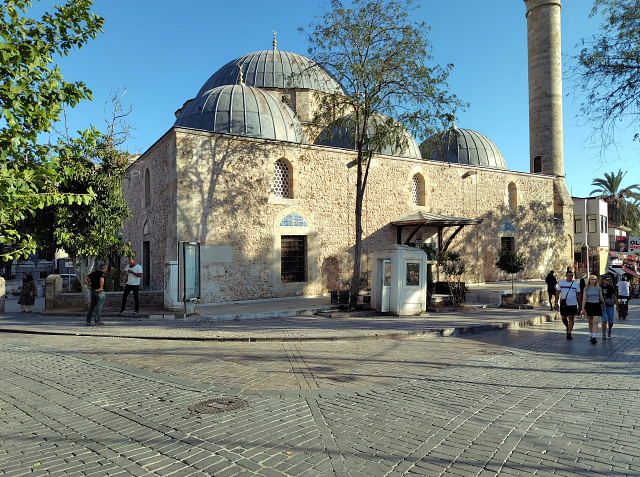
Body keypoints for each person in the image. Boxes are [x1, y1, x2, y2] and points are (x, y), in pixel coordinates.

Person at [556, 269, 581, 340]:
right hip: (564, 304)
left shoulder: (576, 284)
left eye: (571, 275)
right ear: (566, 276)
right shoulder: (561, 283)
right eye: (569, 275)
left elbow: (579, 294)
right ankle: (567, 326)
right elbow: (557, 293)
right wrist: (556, 303)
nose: (570, 277)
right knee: (563, 318)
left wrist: (580, 305)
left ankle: (569, 333)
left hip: (573, 304)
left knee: (571, 318)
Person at [580, 275, 604, 344]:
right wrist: (583, 308)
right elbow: (584, 298)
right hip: (589, 305)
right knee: (590, 323)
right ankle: (592, 335)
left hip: (597, 305)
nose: (593, 281)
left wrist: (603, 304)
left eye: (594, 279)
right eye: (592, 279)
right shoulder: (586, 288)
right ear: (589, 280)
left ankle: (594, 337)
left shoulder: (599, 288)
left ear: (596, 280)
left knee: (595, 322)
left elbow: (601, 297)